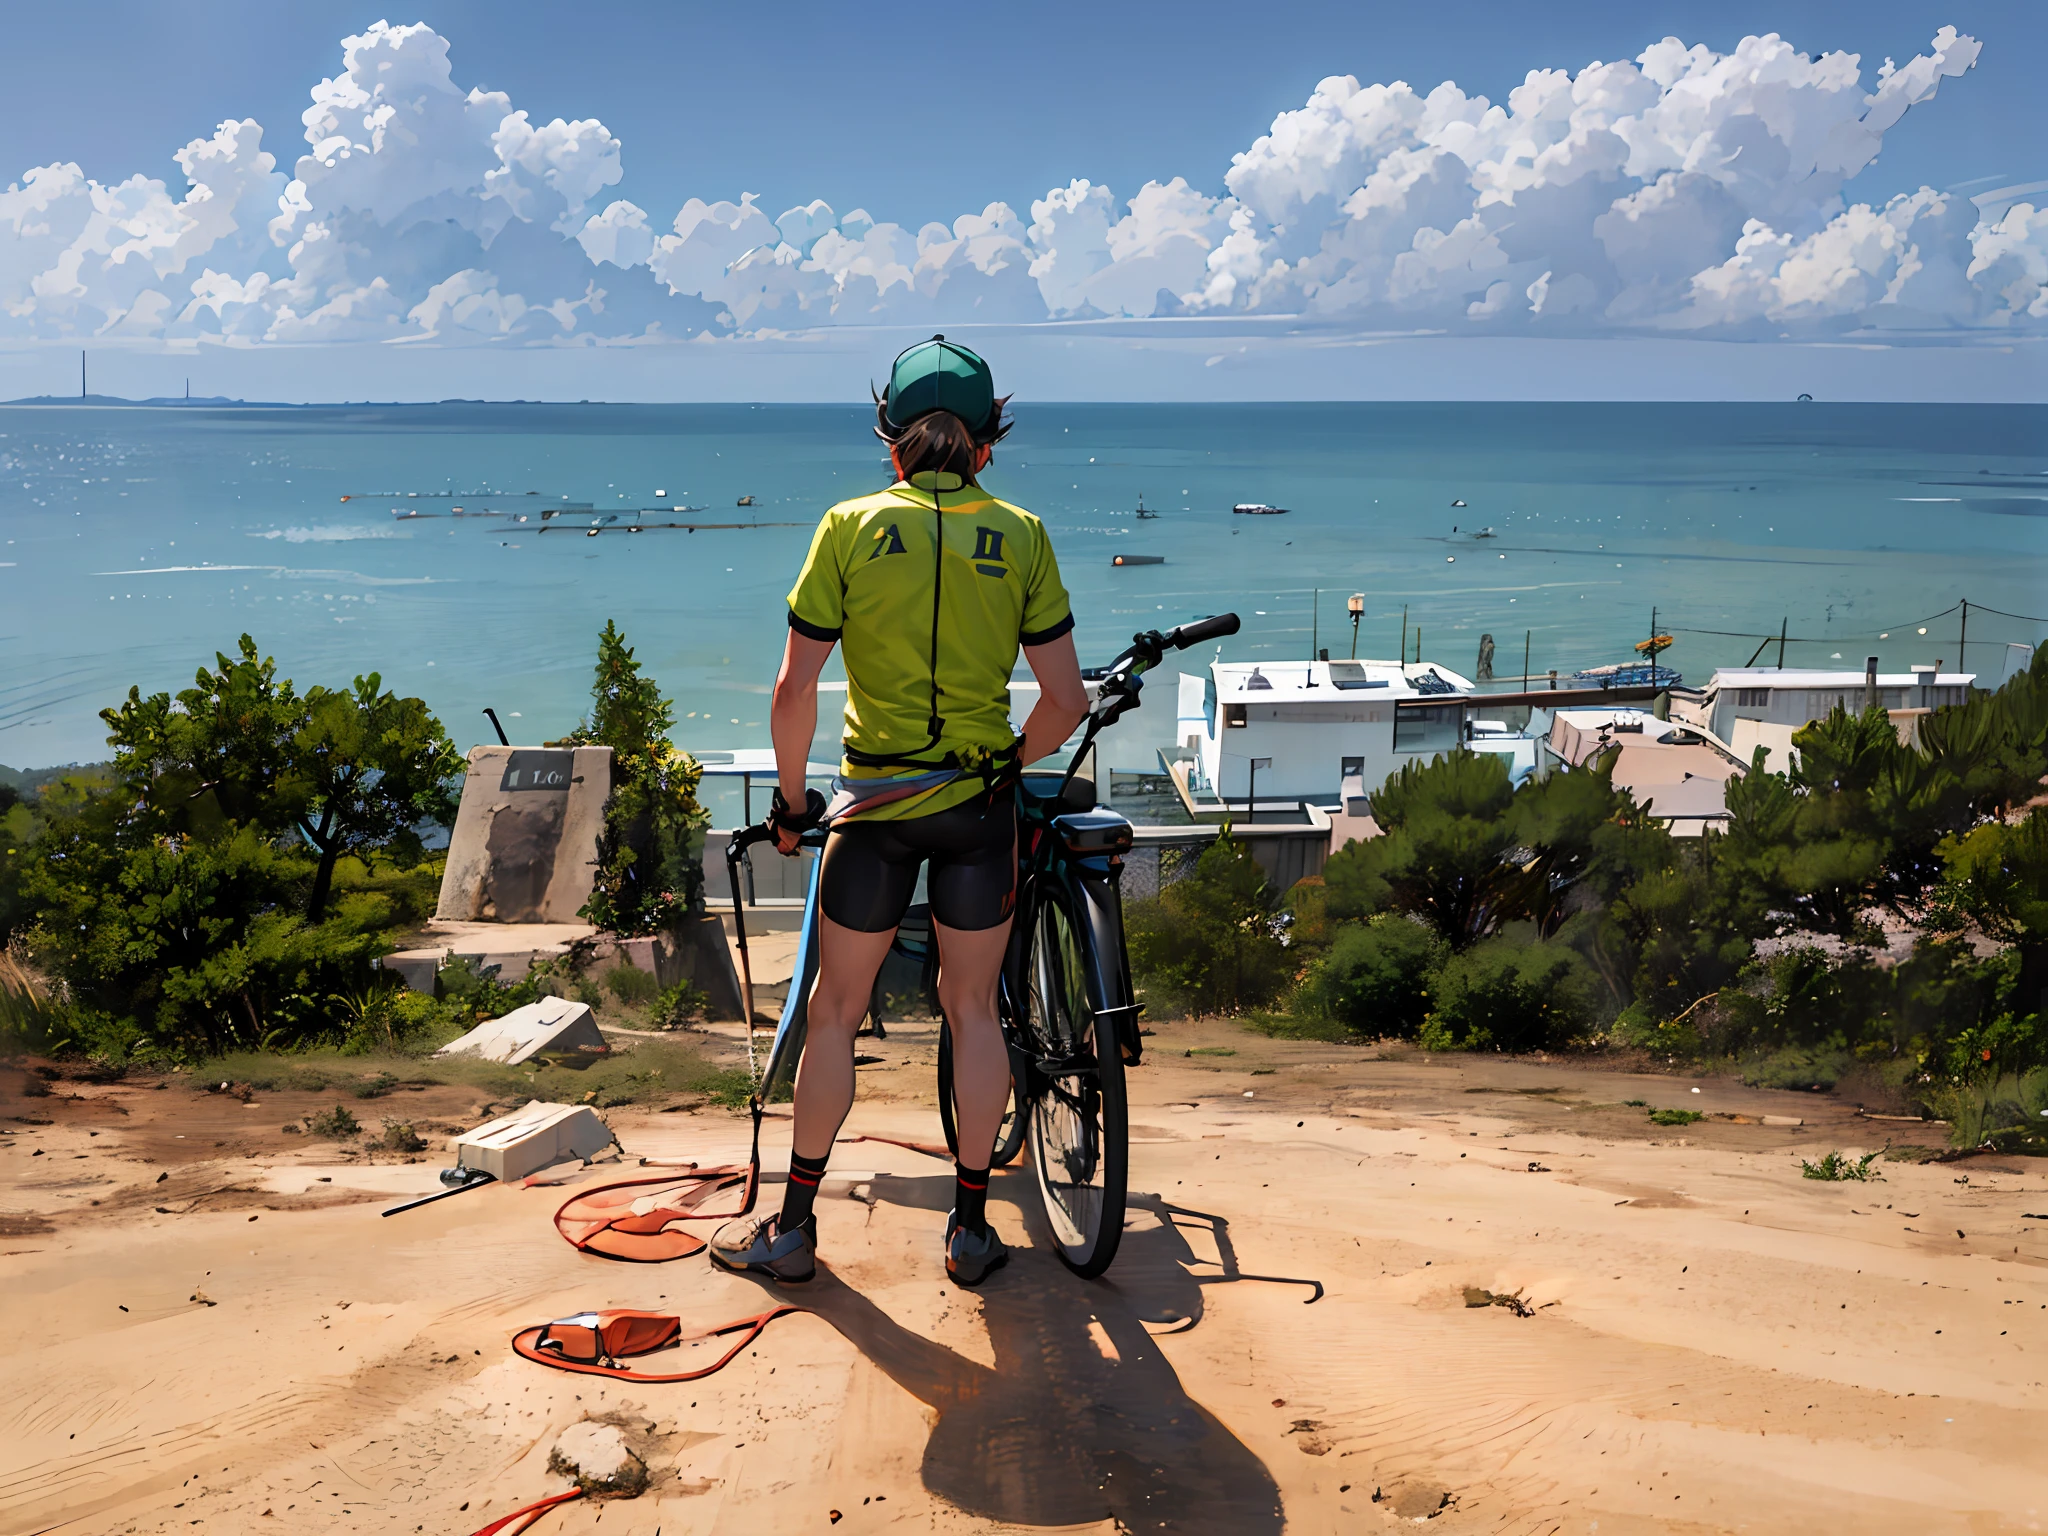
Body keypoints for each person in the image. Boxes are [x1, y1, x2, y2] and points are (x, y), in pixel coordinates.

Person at [711, 336, 1089, 1287]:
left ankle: (793, 1230)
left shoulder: (846, 527)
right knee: (972, 1011)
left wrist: (795, 804)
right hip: (976, 813)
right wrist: (1005, 758)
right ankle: (968, 1233)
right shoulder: (1026, 534)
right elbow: (1064, 704)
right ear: (987, 443)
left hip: (872, 808)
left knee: (836, 1012)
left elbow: (794, 690)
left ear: (891, 442)